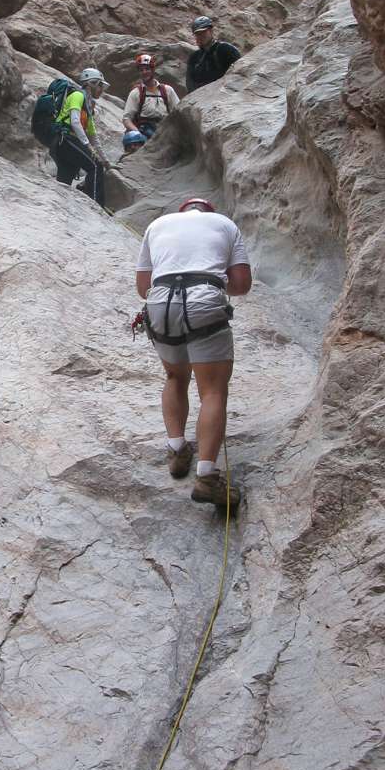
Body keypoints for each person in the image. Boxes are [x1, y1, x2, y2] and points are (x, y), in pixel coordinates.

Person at [135, 197, 252, 510]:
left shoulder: (157, 225)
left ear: (182, 211)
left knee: (175, 377)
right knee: (212, 391)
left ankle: (177, 450)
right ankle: (207, 477)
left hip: (160, 304)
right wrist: (216, 280)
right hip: (204, 300)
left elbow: (143, 286)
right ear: (208, 211)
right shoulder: (225, 224)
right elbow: (241, 284)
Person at [54, 66, 111, 208]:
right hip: (66, 138)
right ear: (91, 84)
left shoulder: (88, 105)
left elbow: (93, 136)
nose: (101, 90)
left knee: (64, 181)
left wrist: (106, 161)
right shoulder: (78, 96)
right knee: (95, 166)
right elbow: (74, 121)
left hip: (65, 142)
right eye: (100, 86)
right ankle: (97, 206)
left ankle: (60, 206)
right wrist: (87, 145)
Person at [122, 53, 180, 144]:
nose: (144, 72)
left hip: (165, 131)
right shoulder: (136, 93)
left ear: (153, 70)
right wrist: (138, 134)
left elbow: (178, 112)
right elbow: (126, 119)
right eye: (141, 70)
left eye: (147, 69)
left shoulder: (167, 90)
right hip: (144, 132)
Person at [185, 16, 241, 92]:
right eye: (198, 34)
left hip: (225, 93)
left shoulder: (226, 50)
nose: (201, 36)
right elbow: (190, 84)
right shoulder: (194, 58)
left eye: (203, 32)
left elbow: (239, 73)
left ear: (211, 31)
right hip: (201, 96)